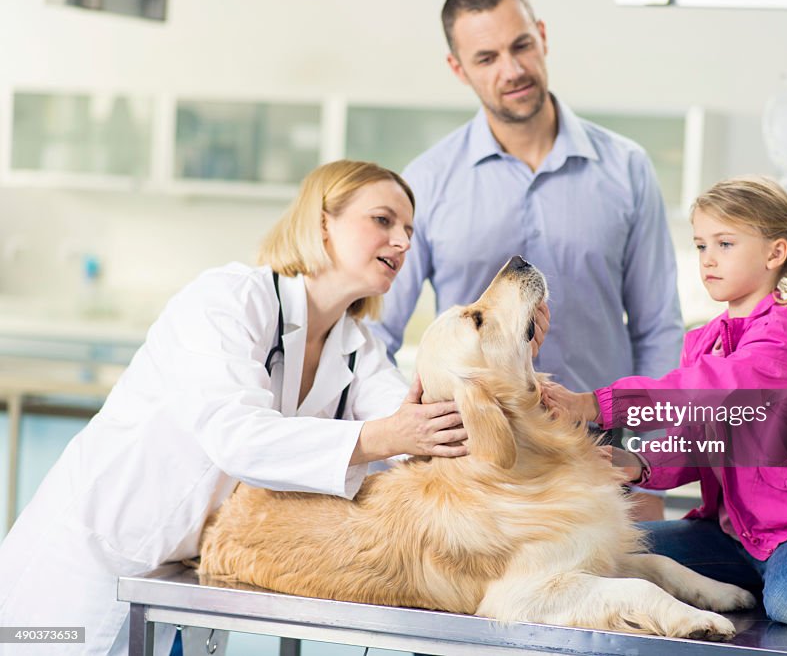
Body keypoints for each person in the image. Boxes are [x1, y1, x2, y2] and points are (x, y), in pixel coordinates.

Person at [0, 160, 473, 655]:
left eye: (408, 230)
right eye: (383, 220)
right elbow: (236, 436)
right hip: (88, 563)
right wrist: (383, 437)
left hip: (187, 579)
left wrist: (501, 370)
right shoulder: (227, 299)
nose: (402, 242)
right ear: (321, 223)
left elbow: (417, 432)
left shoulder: (358, 347)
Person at [372, 0, 684, 520]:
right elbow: (375, 331)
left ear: (542, 37)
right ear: (458, 68)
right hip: (481, 479)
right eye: (486, 57)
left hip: (601, 465)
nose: (511, 70)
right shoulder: (426, 182)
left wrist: (648, 465)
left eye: (520, 46)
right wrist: (407, 433)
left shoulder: (626, 169)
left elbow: (658, 329)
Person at [544, 176, 787, 626]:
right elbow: (697, 442)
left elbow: (707, 389)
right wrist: (640, 464)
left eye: (725, 244)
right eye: (701, 246)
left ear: (774, 253)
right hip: (733, 534)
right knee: (620, 559)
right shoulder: (703, 342)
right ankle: (770, 577)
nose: (708, 261)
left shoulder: (780, 341)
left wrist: (594, 405)